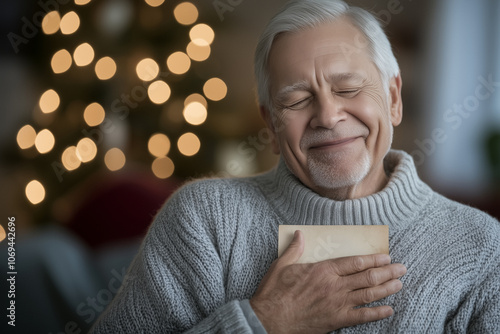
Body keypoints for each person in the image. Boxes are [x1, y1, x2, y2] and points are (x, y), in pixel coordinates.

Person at [90, 0, 500, 333]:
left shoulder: (481, 247)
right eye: (297, 100)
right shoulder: (203, 219)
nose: (327, 115)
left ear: (393, 98)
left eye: (348, 88)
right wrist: (261, 321)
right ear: (270, 124)